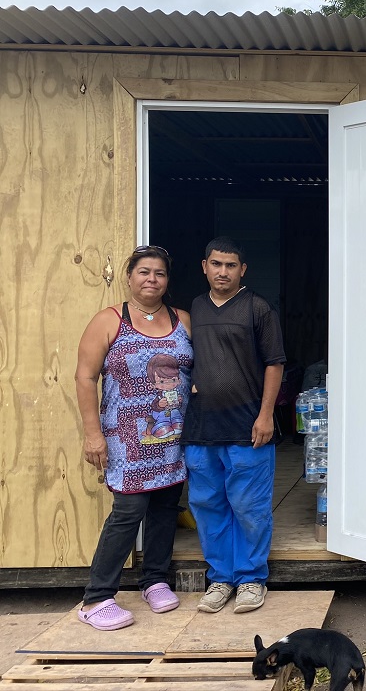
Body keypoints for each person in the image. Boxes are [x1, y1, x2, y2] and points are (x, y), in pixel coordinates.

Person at [75, 245, 193, 631]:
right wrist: (93, 435)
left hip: (171, 438)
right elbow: (85, 377)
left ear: (167, 280)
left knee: (164, 508)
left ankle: (154, 580)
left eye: (159, 273)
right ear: (129, 277)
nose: (151, 280)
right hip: (126, 441)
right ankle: (96, 597)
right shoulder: (109, 321)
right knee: (128, 513)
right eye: (144, 272)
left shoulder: (183, 320)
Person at [181, 236, 286, 614]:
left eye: (230, 265)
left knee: (249, 506)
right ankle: (221, 578)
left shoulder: (258, 309)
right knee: (208, 505)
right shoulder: (196, 307)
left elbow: (275, 363)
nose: (222, 271)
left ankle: (252, 578)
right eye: (216, 264)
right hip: (202, 428)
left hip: (247, 426)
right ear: (204, 266)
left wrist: (265, 415)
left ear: (242, 270)